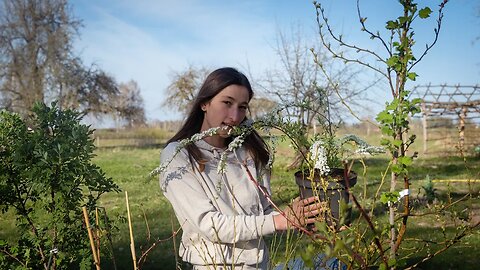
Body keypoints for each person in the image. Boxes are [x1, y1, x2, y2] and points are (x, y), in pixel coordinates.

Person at [159, 67, 321, 270]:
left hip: (260, 265)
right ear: (204, 103)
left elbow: (265, 212)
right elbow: (210, 225)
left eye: (242, 107)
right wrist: (279, 221)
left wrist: (301, 218)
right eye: (227, 103)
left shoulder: (251, 153)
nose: (235, 116)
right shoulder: (179, 155)